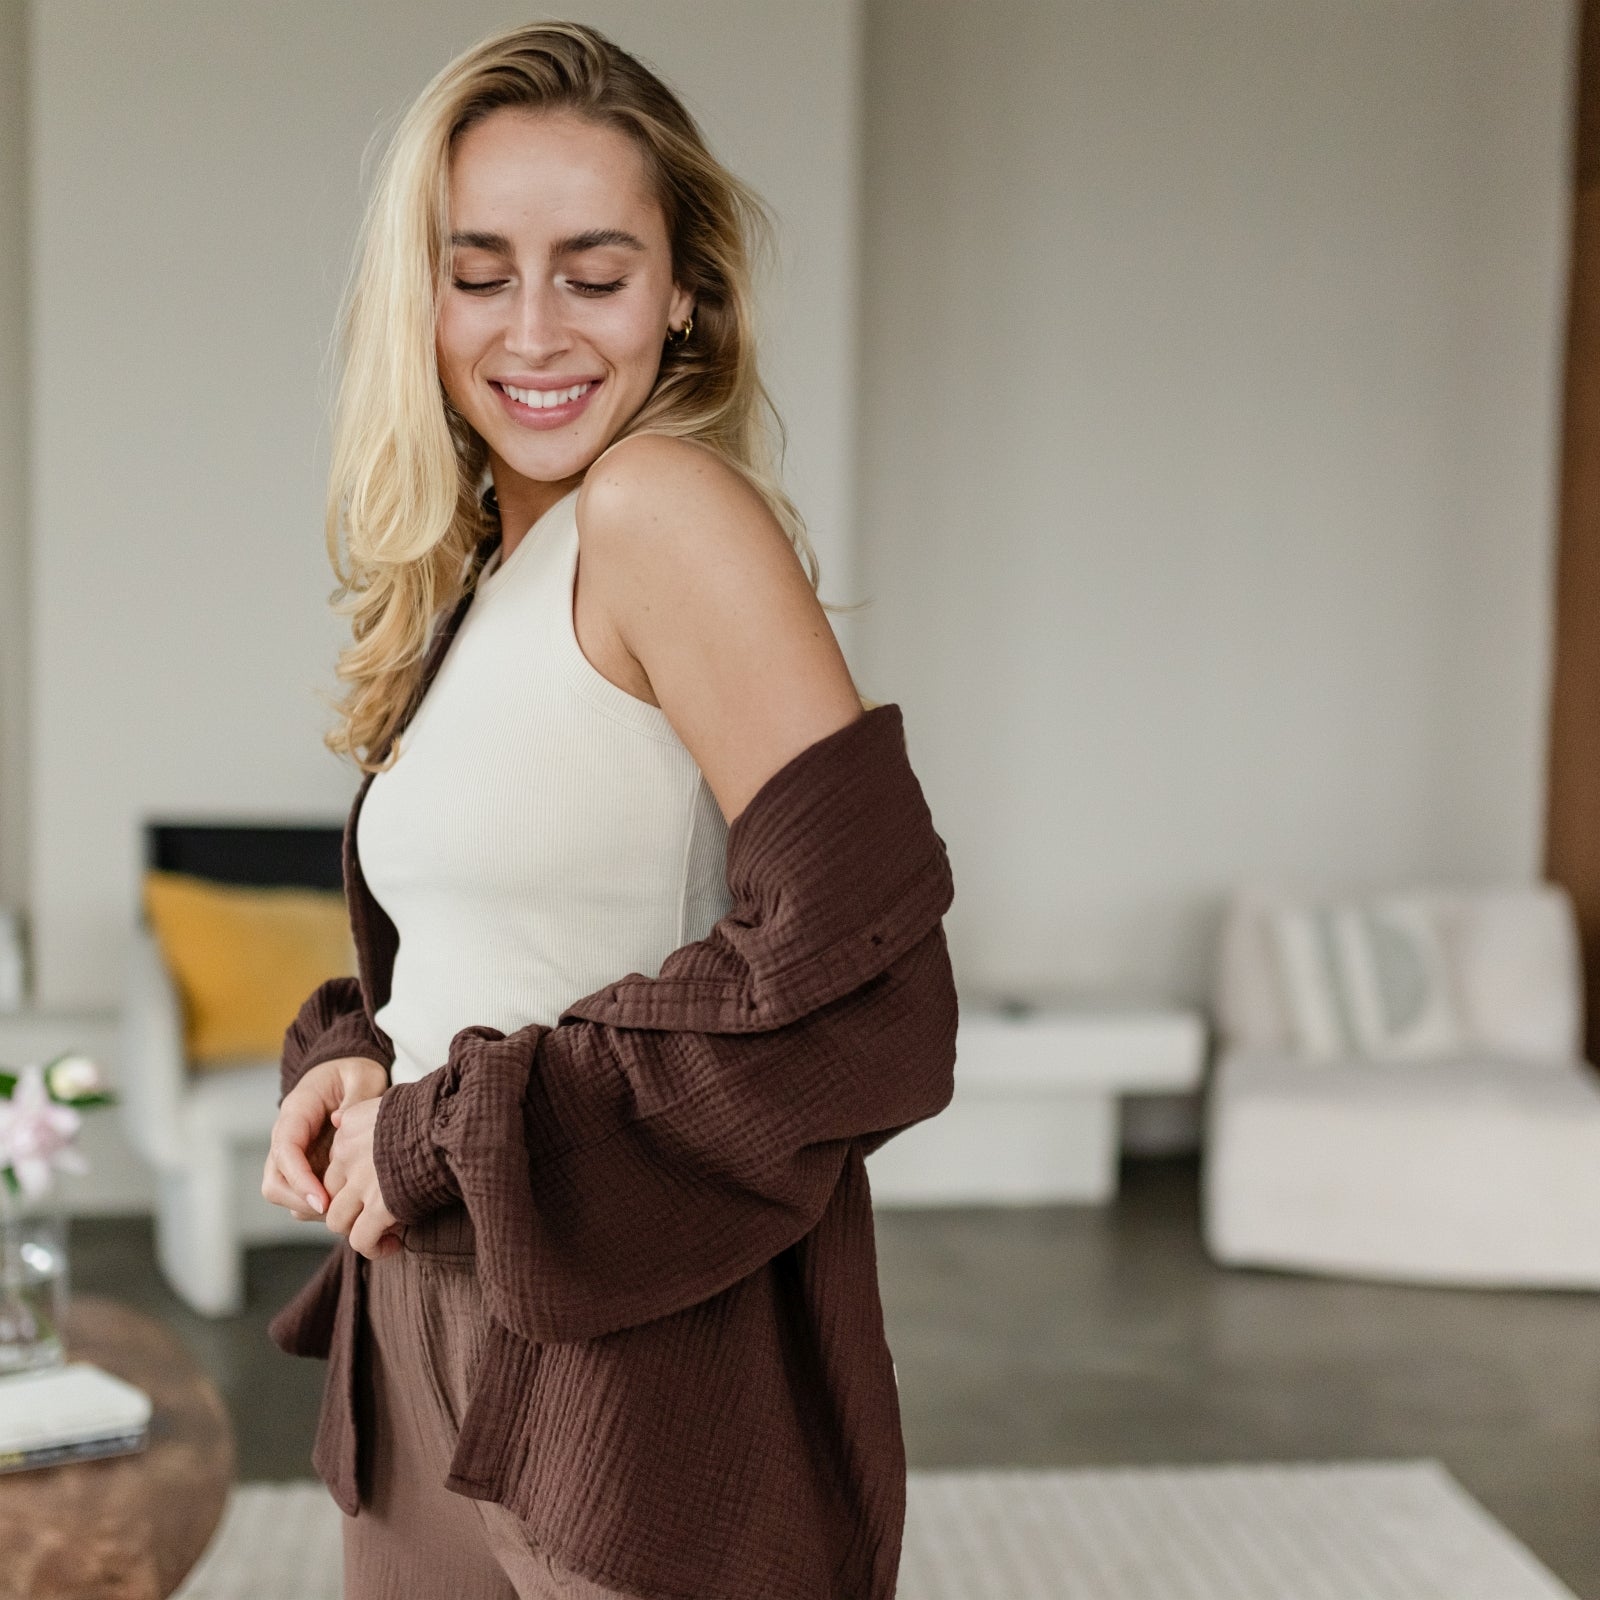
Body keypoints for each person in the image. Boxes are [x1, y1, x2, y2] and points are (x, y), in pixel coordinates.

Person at [259, 19, 957, 1600]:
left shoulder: (661, 511)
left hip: (623, 1349)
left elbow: (875, 996)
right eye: (480, 272)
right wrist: (364, 1061)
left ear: (684, 292)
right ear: (422, 299)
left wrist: (436, 1128)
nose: (535, 330)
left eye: (595, 272)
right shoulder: (482, 572)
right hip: (416, 1308)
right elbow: (503, 949)